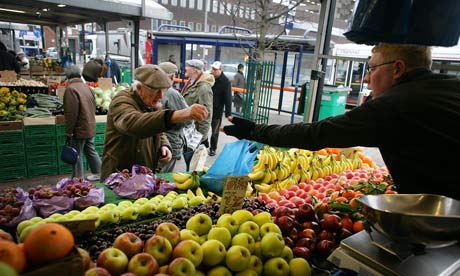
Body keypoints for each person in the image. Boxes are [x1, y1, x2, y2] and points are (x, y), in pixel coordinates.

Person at [223, 43, 460, 200]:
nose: (366, 79)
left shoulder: (392, 106)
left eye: (371, 69)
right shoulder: (453, 87)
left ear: (398, 69)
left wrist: (255, 130)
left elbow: (318, 134)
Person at [101, 64, 208, 180]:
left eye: (164, 90)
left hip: (143, 176)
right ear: (139, 88)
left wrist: (164, 144)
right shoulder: (122, 101)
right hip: (119, 176)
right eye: (156, 91)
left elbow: (158, 129)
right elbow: (133, 124)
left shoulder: (151, 103)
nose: (161, 96)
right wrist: (178, 115)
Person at [63, 65, 102, 181]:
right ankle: (99, 172)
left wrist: (69, 131)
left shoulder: (71, 89)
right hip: (90, 125)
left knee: (77, 154)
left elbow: (71, 113)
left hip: (79, 128)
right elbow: (94, 106)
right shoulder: (87, 88)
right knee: (90, 150)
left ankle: (78, 179)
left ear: (68, 76)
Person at [181, 59, 214, 166]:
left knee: (194, 163)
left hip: (195, 134)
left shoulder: (204, 87)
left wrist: (203, 137)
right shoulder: (192, 82)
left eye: (188, 66)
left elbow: (207, 114)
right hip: (188, 130)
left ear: (194, 70)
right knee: (188, 159)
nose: (185, 68)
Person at [158, 61, 189, 172]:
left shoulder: (155, 90)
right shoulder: (172, 93)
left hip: (160, 140)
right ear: (172, 76)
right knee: (164, 175)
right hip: (171, 140)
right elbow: (187, 118)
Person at [209, 61, 232, 156]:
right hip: (206, 108)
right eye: (212, 69)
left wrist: (228, 113)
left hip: (217, 110)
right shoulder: (209, 78)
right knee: (202, 128)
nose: (213, 71)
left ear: (220, 70)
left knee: (215, 131)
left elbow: (228, 98)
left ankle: (213, 148)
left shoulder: (225, 81)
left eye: (215, 69)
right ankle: (200, 146)